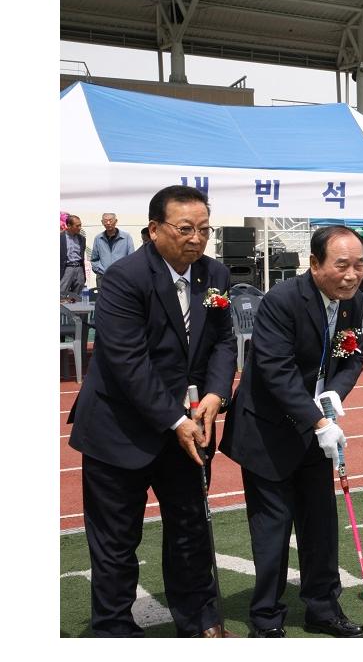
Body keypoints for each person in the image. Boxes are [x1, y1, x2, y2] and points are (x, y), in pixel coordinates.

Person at [67, 185, 236, 637]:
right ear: (154, 229)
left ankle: (200, 620)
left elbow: (223, 340)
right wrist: (176, 419)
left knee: (189, 528)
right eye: (185, 229)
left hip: (186, 429)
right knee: (116, 541)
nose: (195, 239)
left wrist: (217, 395)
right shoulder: (125, 277)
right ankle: (113, 628)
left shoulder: (213, 275)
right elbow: (127, 362)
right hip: (119, 430)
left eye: (204, 229)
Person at [219, 226, 363, 638]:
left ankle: (324, 607)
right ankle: (266, 619)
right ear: (315, 264)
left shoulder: (353, 304)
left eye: (359, 266)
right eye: (342, 265)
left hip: (316, 430)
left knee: (321, 524)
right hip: (269, 431)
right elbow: (274, 370)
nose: (352, 275)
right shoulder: (283, 301)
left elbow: (352, 358)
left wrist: (334, 395)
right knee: (272, 530)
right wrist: (318, 420)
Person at [91, 212, 135, 288]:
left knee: (121, 298)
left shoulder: (126, 237)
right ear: (102, 222)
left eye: (110, 220)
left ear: (116, 221)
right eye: (105, 221)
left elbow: (131, 258)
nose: (108, 223)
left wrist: (124, 272)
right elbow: (94, 259)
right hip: (103, 277)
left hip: (121, 277)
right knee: (103, 298)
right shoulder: (98, 238)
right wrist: (100, 270)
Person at [60, 214, 87, 297]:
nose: (80, 228)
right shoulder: (60, 238)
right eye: (77, 226)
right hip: (66, 269)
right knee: (61, 293)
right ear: (68, 226)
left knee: (77, 296)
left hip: (79, 269)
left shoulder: (82, 239)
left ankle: (75, 310)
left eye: (80, 225)